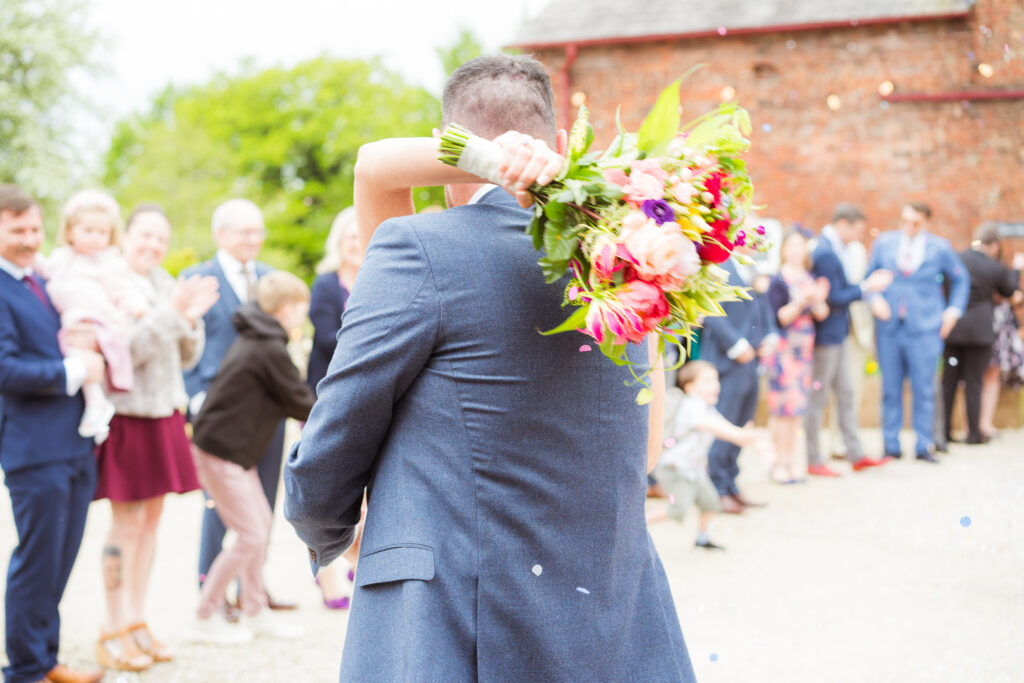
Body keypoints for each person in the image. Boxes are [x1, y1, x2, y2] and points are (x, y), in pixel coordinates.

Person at [284, 55, 694, 681]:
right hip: (612, 622)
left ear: (449, 149)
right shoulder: (634, 270)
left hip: (460, 624)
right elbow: (640, 453)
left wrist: (326, 524)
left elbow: (332, 437)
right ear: (560, 144)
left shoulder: (419, 247)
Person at [93, 205, 219, 670]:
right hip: (128, 416)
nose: (153, 246)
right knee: (125, 525)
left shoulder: (168, 284)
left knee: (151, 524)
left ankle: (136, 618)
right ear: (127, 235)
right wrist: (174, 315)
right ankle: (110, 625)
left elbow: (188, 355)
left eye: (161, 239)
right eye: (145, 236)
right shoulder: (110, 283)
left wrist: (189, 318)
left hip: (166, 412)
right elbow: (129, 351)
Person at [0, 185, 106, 683]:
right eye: (16, 229)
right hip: (33, 448)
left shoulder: (38, 281)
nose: (29, 238)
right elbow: (5, 369)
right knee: (36, 559)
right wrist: (73, 369)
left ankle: (46, 659)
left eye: (34, 228)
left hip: (74, 443)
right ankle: (24, 668)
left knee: (60, 560)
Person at [186, 271, 315, 643]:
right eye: (299, 309)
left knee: (257, 526)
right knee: (251, 533)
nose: (301, 317)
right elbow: (300, 400)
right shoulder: (268, 347)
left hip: (230, 450)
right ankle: (203, 615)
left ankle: (256, 610)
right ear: (287, 309)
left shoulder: (260, 337)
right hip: (220, 451)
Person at [181, 199, 292, 610]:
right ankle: (212, 587)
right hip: (220, 415)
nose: (254, 239)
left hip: (267, 415)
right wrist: (195, 397)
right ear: (221, 234)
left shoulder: (270, 280)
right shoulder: (197, 278)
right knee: (220, 506)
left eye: (258, 231)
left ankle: (253, 592)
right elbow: (184, 340)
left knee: (263, 502)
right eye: (245, 231)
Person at [866, 202, 969, 462]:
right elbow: (869, 279)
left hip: (925, 328)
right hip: (890, 327)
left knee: (924, 389)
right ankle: (891, 445)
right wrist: (874, 298)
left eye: (915, 223)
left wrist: (952, 312)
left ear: (926, 223)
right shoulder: (884, 243)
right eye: (904, 221)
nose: (908, 227)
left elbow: (961, 279)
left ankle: (924, 445)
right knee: (890, 389)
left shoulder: (940, 247)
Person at [44, 190, 147, 442]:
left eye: (102, 233)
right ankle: (96, 404)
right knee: (78, 356)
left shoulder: (109, 263)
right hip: (73, 321)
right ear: (70, 231)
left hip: (99, 320)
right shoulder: (62, 259)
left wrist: (134, 304)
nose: (95, 239)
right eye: (88, 231)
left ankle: (96, 405)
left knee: (83, 354)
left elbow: (122, 289)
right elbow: (45, 272)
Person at [805, 204, 893, 475]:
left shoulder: (835, 249)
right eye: (857, 230)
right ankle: (814, 459)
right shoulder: (824, 252)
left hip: (839, 334)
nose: (858, 236)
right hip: (826, 337)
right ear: (843, 223)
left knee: (846, 393)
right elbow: (833, 298)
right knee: (819, 397)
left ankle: (855, 454)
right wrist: (868, 287)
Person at [307, 207, 364, 609]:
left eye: (362, 236)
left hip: (369, 395)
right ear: (339, 243)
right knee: (325, 490)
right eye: (350, 237)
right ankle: (326, 578)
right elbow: (327, 337)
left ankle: (359, 557)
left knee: (367, 492)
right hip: (326, 394)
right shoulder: (326, 284)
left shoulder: (383, 274)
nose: (356, 244)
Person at [649, 361, 768, 548]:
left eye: (716, 380)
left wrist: (744, 436)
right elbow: (714, 427)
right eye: (707, 381)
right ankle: (636, 528)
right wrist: (742, 436)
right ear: (689, 387)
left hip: (695, 470)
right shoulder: (691, 407)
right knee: (677, 508)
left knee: (710, 503)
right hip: (675, 469)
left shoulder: (706, 407)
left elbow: (725, 426)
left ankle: (702, 538)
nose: (715, 386)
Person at [700, 243, 778, 512]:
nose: (755, 245)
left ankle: (731, 484)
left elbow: (761, 309)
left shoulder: (752, 269)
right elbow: (708, 310)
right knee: (724, 424)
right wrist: (736, 344)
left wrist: (769, 335)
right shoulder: (718, 267)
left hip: (751, 360)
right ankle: (716, 489)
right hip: (726, 360)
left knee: (744, 421)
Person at [941, 223, 1022, 444]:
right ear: (994, 246)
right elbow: (1011, 292)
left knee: (949, 380)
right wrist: (1015, 270)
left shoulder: (956, 258)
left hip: (953, 329)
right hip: (979, 332)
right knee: (974, 381)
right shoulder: (993, 267)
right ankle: (973, 434)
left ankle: (945, 432)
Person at [765, 230, 830, 481]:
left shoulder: (810, 278)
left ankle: (790, 460)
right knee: (782, 409)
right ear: (783, 250)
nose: (795, 250)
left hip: (803, 352)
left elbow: (822, 313)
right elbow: (779, 317)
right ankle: (777, 463)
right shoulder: (778, 280)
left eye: (799, 246)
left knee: (796, 409)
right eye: (790, 245)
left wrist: (818, 298)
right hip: (782, 350)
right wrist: (802, 300)